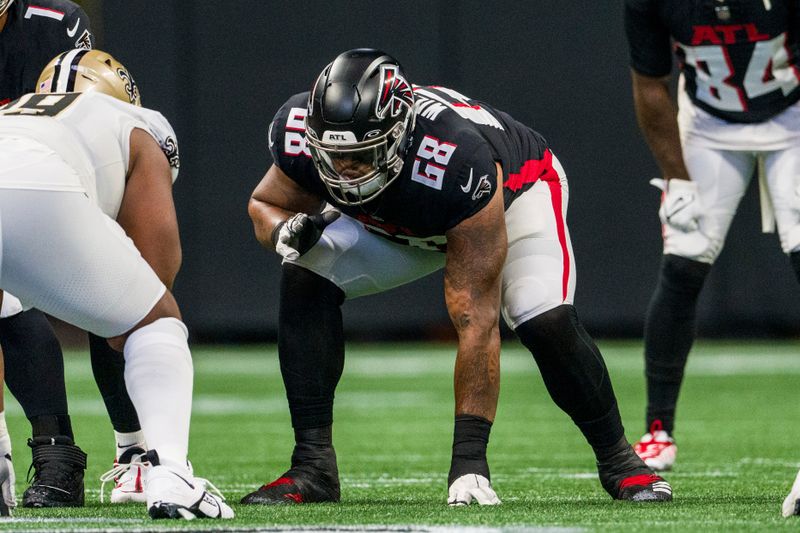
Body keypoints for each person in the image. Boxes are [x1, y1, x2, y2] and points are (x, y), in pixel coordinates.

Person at [245, 48, 673, 506]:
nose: (345, 171)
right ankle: (312, 467)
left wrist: (469, 464)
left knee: (540, 316)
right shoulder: (298, 130)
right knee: (304, 272)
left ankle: (620, 461)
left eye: (363, 155)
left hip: (511, 196)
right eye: (334, 156)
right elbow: (264, 203)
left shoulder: (455, 159)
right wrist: (283, 231)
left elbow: (477, 320)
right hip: (403, 218)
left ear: (397, 137)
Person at [0, 49, 233, 520]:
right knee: (156, 321)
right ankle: (170, 473)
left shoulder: (12, 111)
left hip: (23, 172)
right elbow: (156, 272)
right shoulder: (138, 124)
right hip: (37, 189)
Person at [624, 0, 800, 477]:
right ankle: (658, 428)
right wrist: (677, 179)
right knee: (683, 260)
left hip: (793, 114)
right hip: (709, 121)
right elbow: (650, 84)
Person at [0, 0, 148, 508]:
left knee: (128, 302)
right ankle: (54, 454)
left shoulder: (52, 25)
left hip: (65, 177)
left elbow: (86, 121)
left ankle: (141, 452)